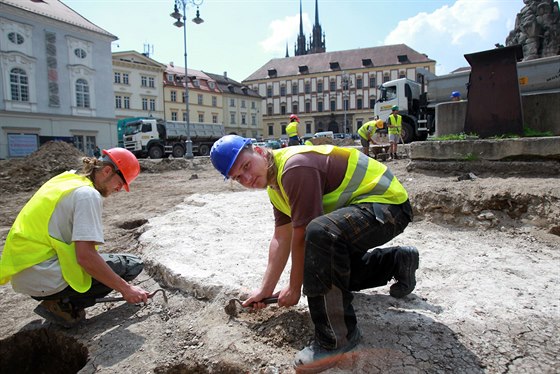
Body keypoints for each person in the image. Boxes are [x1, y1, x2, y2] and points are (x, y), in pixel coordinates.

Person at [210, 135, 419, 372]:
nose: (247, 178)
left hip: (388, 206)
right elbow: (281, 237)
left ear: (258, 151)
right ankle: (396, 262)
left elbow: (302, 235)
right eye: (238, 177)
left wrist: (294, 287)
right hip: (369, 210)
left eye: (246, 166)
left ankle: (336, 338)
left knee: (320, 235)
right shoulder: (275, 186)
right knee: (330, 270)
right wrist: (265, 289)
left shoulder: (295, 167)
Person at [0, 148, 151, 328]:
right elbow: (85, 257)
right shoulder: (87, 195)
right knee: (131, 265)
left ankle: (57, 300)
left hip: (24, 274)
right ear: (108, 171)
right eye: (121, 182)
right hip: (44, 275)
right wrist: (127, 289)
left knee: (105, 263)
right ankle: (64, 305)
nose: (119, 189)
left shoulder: (66, 180)